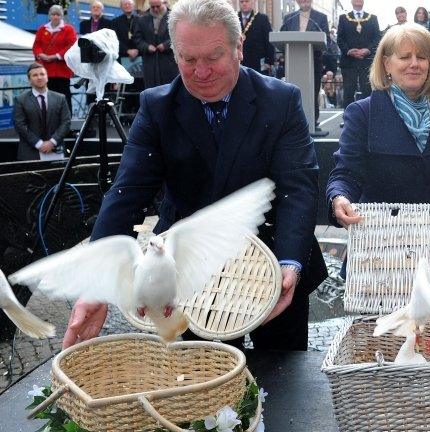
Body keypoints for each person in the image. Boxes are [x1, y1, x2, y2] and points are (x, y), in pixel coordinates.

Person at [61, 0, 328, 351]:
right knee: (195, 383)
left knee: (282, 379)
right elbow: (127, 194)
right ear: (174, 55)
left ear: (239, 49)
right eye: (188, 59)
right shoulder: (157, 106)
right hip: (188, 271)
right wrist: (97, 283)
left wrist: (289, 262)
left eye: (213, 57)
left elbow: (298, 187)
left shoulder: (281, 101)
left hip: (272, 261)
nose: (201, 72)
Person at [327, 23, 430, 230]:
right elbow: (347, 172)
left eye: (421, 57)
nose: (414, 64)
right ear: (386, 64)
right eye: (404, 57)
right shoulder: (362, 112)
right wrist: (339, 197)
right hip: (380, 237)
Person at [281, 0, 329, 130]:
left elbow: (327, 40)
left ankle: (313, 122)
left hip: (314, 62)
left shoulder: (321, 18)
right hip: (293, 63)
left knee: (313, 91)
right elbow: (280, 37)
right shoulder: (288, 18)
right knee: (290, 93)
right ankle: (291, 123)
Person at [12, 63, 71, 161]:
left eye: (42, 74)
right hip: (30, 152)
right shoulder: (20, 100)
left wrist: (52, 142)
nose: (39, 77)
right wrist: (39, 144)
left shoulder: (60, 98)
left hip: (56, 150)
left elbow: (66, 122)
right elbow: (20, 125)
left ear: (47, 77)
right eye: (35, 75)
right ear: (29, 80)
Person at [32, 5, 77, 111]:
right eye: (53, 14)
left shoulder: (68, 29)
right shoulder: (42, 29)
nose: (55, 17)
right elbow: (36, 45)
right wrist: (40, 54)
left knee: (64, 96)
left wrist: (56, 56)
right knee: (47, 96)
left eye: (58, 14)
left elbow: (71, 46)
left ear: (62, 16)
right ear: (49, 16)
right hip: (45, 70)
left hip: (62, 71)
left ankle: (66, 120)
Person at [337, 0, 380, 108]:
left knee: (367, 91)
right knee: (348, 91)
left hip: (367, 61)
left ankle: (368, 117)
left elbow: (377, 38)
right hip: (349, 62)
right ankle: (348, 118)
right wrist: (348, 51)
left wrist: (368, 50)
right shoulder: (343, 18)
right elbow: (340, 39)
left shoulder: (373, 18)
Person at [133, 0, 178, 88]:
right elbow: (137, 39)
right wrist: (146, 46)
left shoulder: (174, 17)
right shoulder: (142, 19)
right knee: (152, 89)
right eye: (152, 7)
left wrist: (166, 45)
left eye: (158, 6)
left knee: (170, 88)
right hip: (150, 62)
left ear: (164, 3)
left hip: (169, 61)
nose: (155, 9)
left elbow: (179, 36)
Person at [111, 0, 143, 122]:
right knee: (126, 87)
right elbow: (115, 40)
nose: (127, 6)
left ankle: (139, 114)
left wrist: (137, 50)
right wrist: (127, 50)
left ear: (133, 6)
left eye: (129, 4)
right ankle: (125, 116)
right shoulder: (115, 22)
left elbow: (144, 37)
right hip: (123, 57)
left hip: (139, 57)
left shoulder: (141, 20)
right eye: (124, 4)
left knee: (139, 86)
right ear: (121, 7)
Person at [239, 0, 275, 74]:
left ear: (253, 2)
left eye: (247, 1)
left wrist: (269, 61)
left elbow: (269, 41)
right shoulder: (235, 18)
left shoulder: (262, 19)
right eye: (242, 2)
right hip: (240, 62)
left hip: (257, 61)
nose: (244, 4)